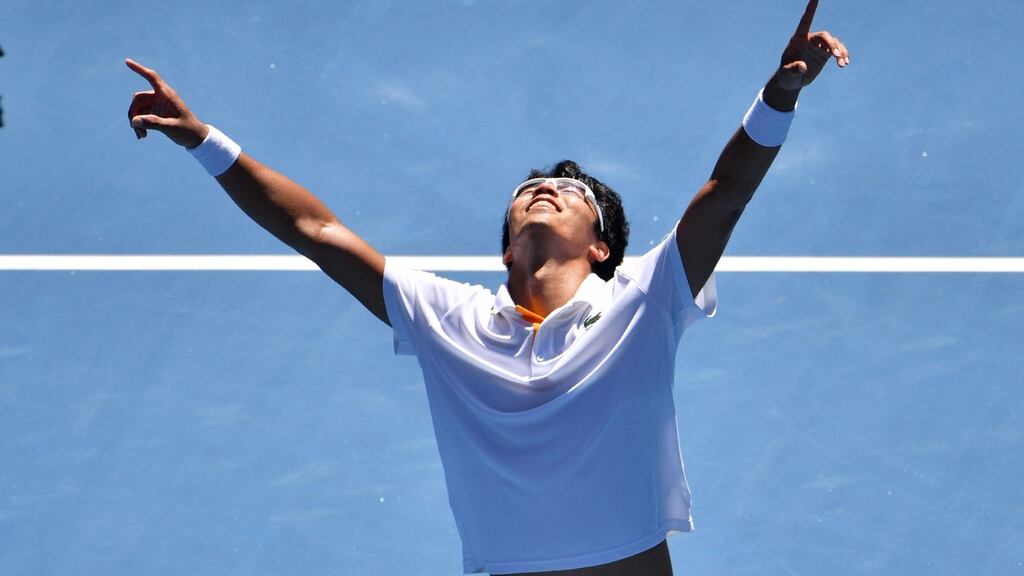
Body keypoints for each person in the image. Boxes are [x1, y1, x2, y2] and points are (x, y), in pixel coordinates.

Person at [126, 1, 847, 574]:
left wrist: (778, 95)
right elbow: (314, 230)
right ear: (506, 246)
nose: (545, 189)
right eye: (529, 191)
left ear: (601, 248)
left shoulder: (647, 295)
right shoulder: (447, 317)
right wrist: (203, 140)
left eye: (569, 192)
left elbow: (726, 192)